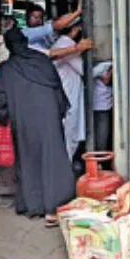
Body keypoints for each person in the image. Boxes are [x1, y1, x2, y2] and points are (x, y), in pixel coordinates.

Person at [0, 27, 77, 227]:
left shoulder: (6, 69)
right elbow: (57, 87)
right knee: (53, 157)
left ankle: (34, 205)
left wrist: (3, 116)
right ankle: (56, 206)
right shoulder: (42, 60)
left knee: (29, 158)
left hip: (24, 120)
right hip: (48, 117)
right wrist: (58, 112)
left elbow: (0, 99)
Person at [51, 20, 87, 163]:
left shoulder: (62, 44)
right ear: (75, 28)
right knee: (69, 135)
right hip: (68, 96)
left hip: (66, 94)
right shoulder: (66, 45)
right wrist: (108, 66)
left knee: (68, 135)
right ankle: (65, 170)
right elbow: (85, 70)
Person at [92, 61, 114, 156]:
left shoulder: (107, 65)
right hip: (100, 106)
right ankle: (100, 160)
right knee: (101, 138)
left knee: (102, 137)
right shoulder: (103, 66)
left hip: (104, 105)